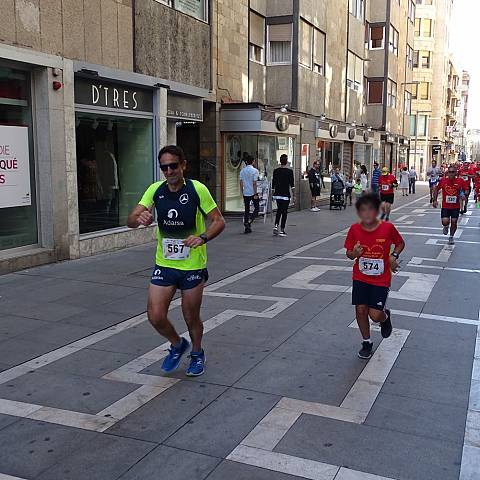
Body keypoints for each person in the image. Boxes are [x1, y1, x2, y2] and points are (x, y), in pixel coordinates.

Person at [127, 145, 225, 377]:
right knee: (155, 315)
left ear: (183, 165)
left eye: (173, 166)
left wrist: (202, 238)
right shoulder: (155, 190)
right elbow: (130, 220)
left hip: (192, 266)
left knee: (190, 316)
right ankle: (178, 344)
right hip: (165, 263)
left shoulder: (197, 189)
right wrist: (138, 218)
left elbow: (218, 221)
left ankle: (197, 353)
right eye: (164, 167)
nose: (169, 171)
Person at [345, 193, 405, 359]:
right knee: (361, 309)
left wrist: (394, 256)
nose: (367, 213)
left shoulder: (387, 228)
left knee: (375, 315)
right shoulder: (354, 229)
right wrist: (354, 253)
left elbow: (400, 243)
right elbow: (349, 254)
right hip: (360, 276)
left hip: (381, 278)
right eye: (363, 210)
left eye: (370, 209)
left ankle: (385, 317)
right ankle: (366, 342)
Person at [432, 165, 464, 245]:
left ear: (456, 173)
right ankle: (446, 227)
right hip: (445, 206)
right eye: (450, 172)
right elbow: (436, 189)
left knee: (454, 222)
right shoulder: (443, 181)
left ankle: (451, 236)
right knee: (445, 221)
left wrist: (462, 194)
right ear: (447, 173)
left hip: (455, 206)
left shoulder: (460, 181)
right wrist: (434, 200)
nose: (451, 174)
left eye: (453, 172)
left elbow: (462, 190)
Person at [272, 154, 295, 237]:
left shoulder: (276, 171)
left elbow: (273, 183)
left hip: (277, 194)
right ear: (286, 162)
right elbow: (292, 185)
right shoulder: (289, 172)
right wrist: (294, 195)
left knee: (279, 210)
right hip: (285, 194)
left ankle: (275, 225)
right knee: (284, 212)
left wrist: (272, 194)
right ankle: (282, 230)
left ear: (280, 161)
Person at [240, 155, 260, 233]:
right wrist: (255, 193)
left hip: (246, 192)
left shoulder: (242, 171)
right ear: (253, 162)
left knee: (247, 209)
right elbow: (254, 183)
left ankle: (246, 223)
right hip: (253, 192)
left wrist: (242, 192)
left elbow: (241, 183)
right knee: (257, 208)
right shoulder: (255, 171)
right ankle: (250, 220)